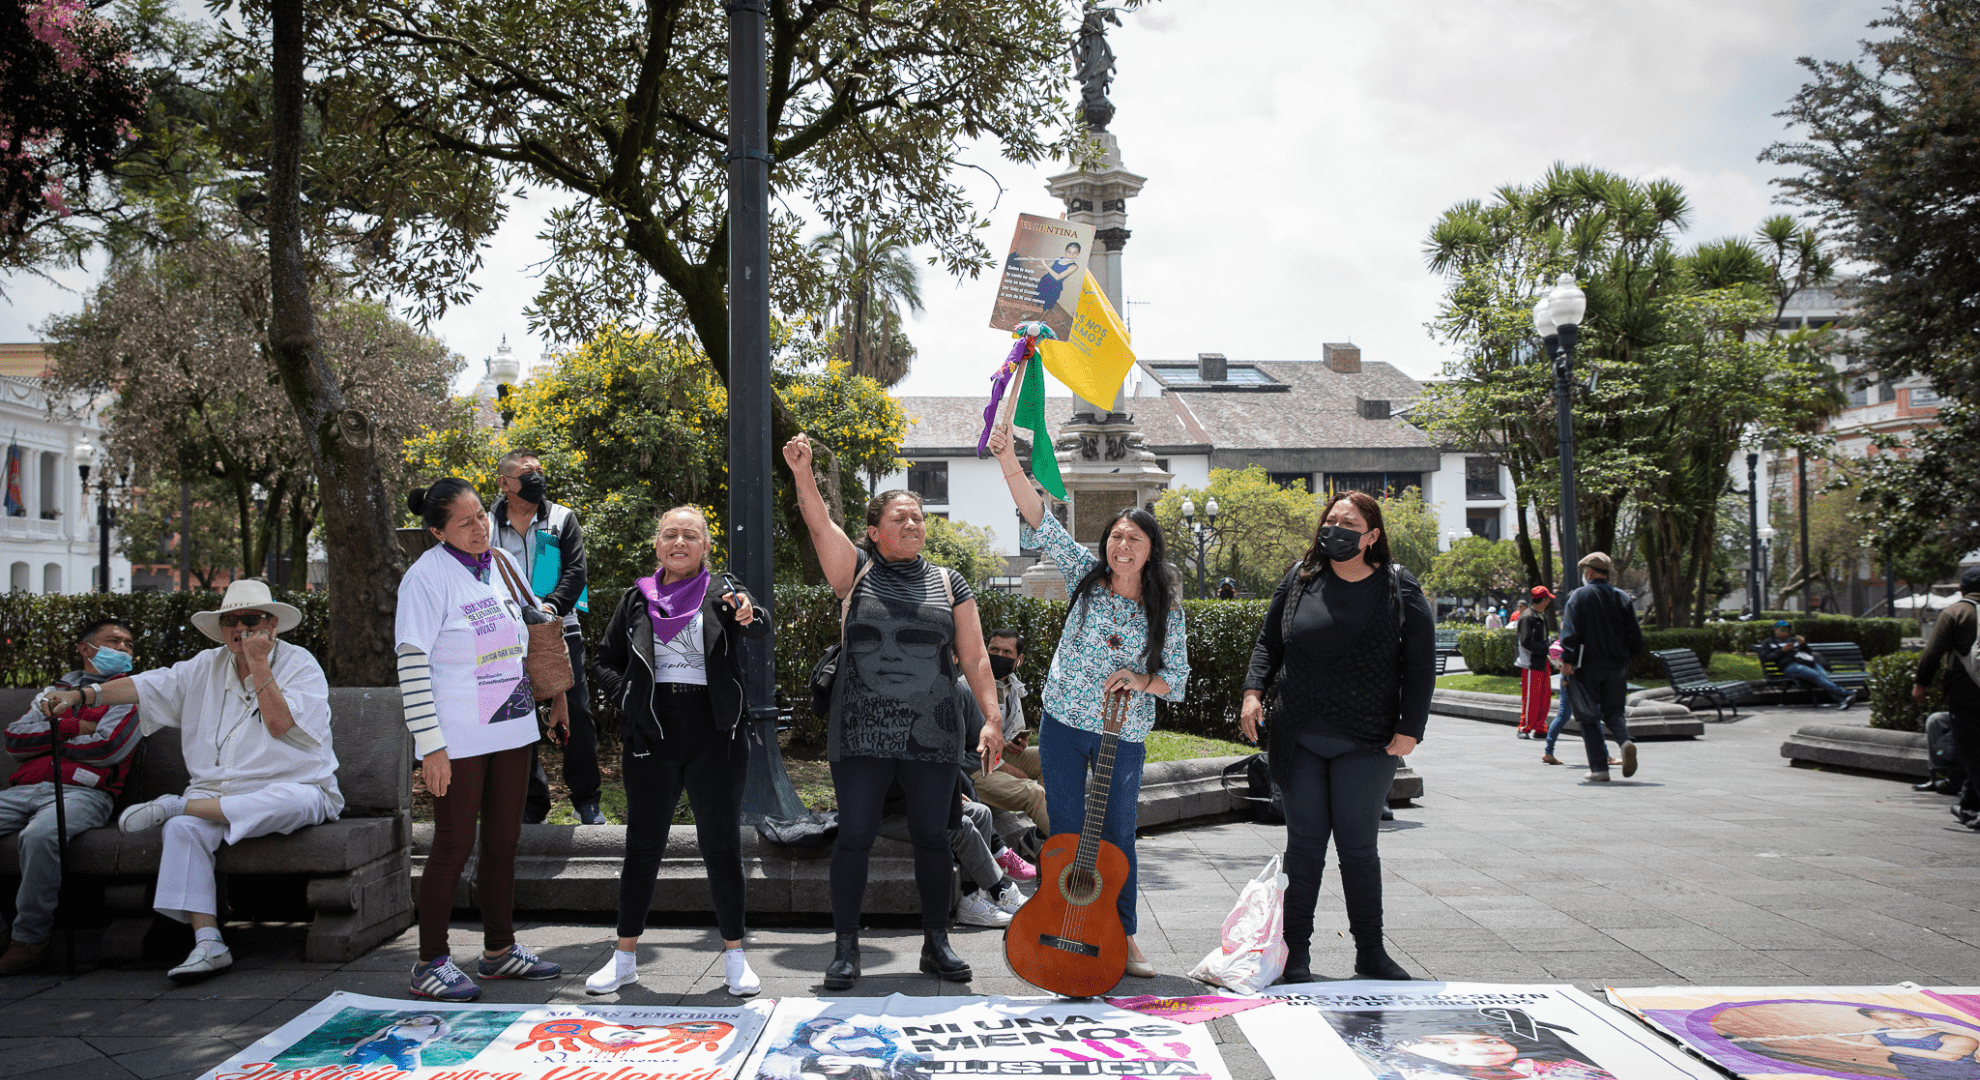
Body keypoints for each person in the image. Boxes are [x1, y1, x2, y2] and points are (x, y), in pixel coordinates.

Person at [783, 433, 1004, 990]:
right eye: (901, 518)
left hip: (932, 731)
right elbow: (817, 525)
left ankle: (937, 943)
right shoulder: (854, 571)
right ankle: (846, 948)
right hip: (859, 730)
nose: (913, 525)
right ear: (875, 530)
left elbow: (975, 655)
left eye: (919, 518)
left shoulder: (949, 582)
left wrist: (993, 718)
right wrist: (804, 474)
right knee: (855, 835)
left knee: (935, 836)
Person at [988, 425, 1188, 980]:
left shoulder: (1164, 609)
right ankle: (1066, 923)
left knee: (1119, 836)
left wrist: (1140, 680)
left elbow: (1177, 678)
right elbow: (1038, 518)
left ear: (1151, 552)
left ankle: (1122, 935)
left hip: (1122, 734)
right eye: (1116, 537)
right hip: (1063, 725)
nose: (1122, 546)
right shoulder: (1084, 575)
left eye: (1134, 540)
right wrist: (1009, 459)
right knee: (1069, 836)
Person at [73, 580, 342, 981]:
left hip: (296, 787)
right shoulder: (204, 665)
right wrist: (83, 696)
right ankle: (209, 942)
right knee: (183, 830)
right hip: (215, 793)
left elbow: (279, 723)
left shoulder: (300, 664)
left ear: (272, 623)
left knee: (295, 800)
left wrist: (259, 665)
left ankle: (174, 805)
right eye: (229, 620)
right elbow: (145, 686)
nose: (240, 628)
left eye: (250, 619)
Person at [1241, 490, 1434, 983]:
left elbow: (1420, 664)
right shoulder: (1300, 579)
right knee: (1304, 846)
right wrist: (1253, 691)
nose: (1336, 530)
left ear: (1371, 536)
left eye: (1349, 523)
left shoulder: (1399, 587)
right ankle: (1296, 954)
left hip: (1368, 738)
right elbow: (1269, 641)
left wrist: (1411, 728)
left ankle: (1370, 951)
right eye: (1331, 521)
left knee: (1358, 847)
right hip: (1299, 732)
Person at [583, 506, 768, 997]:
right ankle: (623, 959)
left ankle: (735, 958)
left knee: (722, 848)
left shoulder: (724, 593)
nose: (680, 542)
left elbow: (758, 624)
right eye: (670, 535)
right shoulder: (636, 599)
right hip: (652, 735)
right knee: (642, 849)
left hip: (716, 736)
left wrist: (749, 611)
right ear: (657, 545)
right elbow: (603, 661)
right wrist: (627, 697)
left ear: (706, 546)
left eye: (691, 535)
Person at [397, 479, 563, 1001]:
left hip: (512, 724)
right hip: (458, 734)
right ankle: (430, 962)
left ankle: (499, 951)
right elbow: (411, 661)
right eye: (464, 522)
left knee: (503, 841)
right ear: (436, 531)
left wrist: (558, 699)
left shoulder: (502, 566)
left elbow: (534, 635)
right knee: (452, 844)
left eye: (480, 516)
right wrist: (431, 744)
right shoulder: (425, 578)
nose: (479, 527)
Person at [2, 619, 145, 975]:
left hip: (84, 792)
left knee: (40, 835)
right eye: (114, 641)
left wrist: (49, 740)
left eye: (128, 643)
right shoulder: (52, 693)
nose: (123, 648)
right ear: (86, 648)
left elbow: (108, 748)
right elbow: (14, 741)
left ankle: (30, 939)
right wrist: (72, 727)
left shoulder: (130, 692)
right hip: (23, 789)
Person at [491, 450, 601, 825]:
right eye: (527, 472)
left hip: (558, 630)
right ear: (504, 482)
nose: (537, 477)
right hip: (504, 636)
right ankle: (531, 803)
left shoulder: (560, 518)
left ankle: (586, 799)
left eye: (540, 470)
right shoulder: (485, 525)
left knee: (577, 716)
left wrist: (550, 608)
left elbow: (575, 572)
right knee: (515, 717)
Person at [1557, 552, 1644, 783]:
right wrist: (1627, 658)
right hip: (1616, 667)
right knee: (1614, 710)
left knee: (1588, 715)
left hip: (1587, 667)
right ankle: (1625, 741)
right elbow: (1635, 635)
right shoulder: (1621, 597)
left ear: (1590, 572)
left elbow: (1570, 631)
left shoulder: (1580, 596)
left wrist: (1567, 660)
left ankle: (1598, 768)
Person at [973, 629, 1050, 856]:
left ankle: (1042, 835)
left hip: (998, 756)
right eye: (994, 649)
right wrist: (1010, 769)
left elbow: (1010, 733)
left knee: (1051, 758)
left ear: (1019, 660)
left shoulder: (1013, 686)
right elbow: (969, 749)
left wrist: (1017, 745)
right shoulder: (969, 686)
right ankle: (1075, 854)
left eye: (1007, 652)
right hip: (974, 768)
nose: (999, 655)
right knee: (1034, 792)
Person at [1918, 566, 1980, 829]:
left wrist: (1921, 684)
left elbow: (1933, 653)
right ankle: (1968, 805)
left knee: (1972, 749)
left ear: (1962, 589)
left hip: (1966, 690)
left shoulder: (1956, 611)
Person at [1823, 1008, 1980, 1080]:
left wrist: (1884, 1047)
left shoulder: (1958, 1039)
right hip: (1918, 1075)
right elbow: (1861, 1049)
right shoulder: (1880, 1033)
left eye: (1908, 1019)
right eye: (1888, 1020)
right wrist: (1836, 1040)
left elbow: (1951, 1057)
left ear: (1923, 1018)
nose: (1903, 1025)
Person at [1754, 621, 1855, 710]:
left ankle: (1843, 701)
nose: (1786, 632)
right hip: (1790, 666)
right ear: (1776, 630)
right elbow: (1766, 658)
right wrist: (1782, 651)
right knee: (1816, 675)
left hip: (1808, 663)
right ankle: (1845, 693)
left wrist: (1803, 644)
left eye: (1788, 630)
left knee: (1823, 677)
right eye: (1783, 629)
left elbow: (1809, 653)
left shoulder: (1793, 640)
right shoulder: (1769, 642)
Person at [1515, 588, 1555, 740]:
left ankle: (1539, 726)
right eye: (1548, 599)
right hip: (1531, 663)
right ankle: (1524, 727)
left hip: (1541, 660)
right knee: (1531, 697)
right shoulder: (1527, 617)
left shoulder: (1539, 615)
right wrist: (1546, 648)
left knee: (1544, 696)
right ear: (1543, 600)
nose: (1549, 602)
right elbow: (1526, 641)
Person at [348, 1015, 451, 1071]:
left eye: (426, 1019)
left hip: (404, 1048)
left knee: (410, 1070)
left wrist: (418, 1048)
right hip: (380, 1045)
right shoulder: (394, 1027)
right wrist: (354, 1048)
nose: (421, 1020)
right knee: (357, 1065)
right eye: (419, 1018)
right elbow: (371, 1038)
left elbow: (430, 1039)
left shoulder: (432, 1029)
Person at [1032, 240, 1083, 313]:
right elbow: (1044, 268)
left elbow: (1058, 277)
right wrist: (1035, 264)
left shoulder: (1074, 266)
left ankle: (1040, 321)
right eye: (1069, 252)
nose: (1071, 255)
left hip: (1055, 286)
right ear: (1065, 251)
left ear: (1078, 254)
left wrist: (1045, 264)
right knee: (1038, 298)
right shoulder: (1058, 258)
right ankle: (1033, 313)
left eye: (1074, 253)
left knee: (1048, 305)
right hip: (1045, 281)